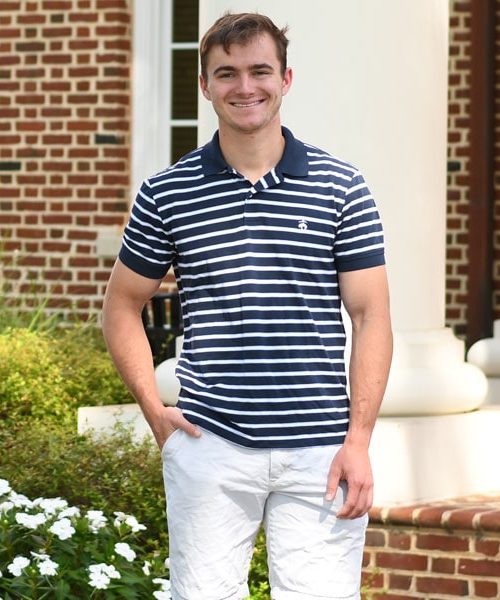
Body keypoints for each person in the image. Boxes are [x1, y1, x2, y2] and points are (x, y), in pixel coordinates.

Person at [100, 11, 393, 600]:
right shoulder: (168, 191)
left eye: (260, 70)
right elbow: (121, 306)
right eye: (226, 73)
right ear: (205, 85)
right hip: (211, 448)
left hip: (321, 451)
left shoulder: (342, 186)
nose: (245, 86)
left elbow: (371, 316)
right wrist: (155, 411)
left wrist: (359, 440)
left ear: (286, 80)